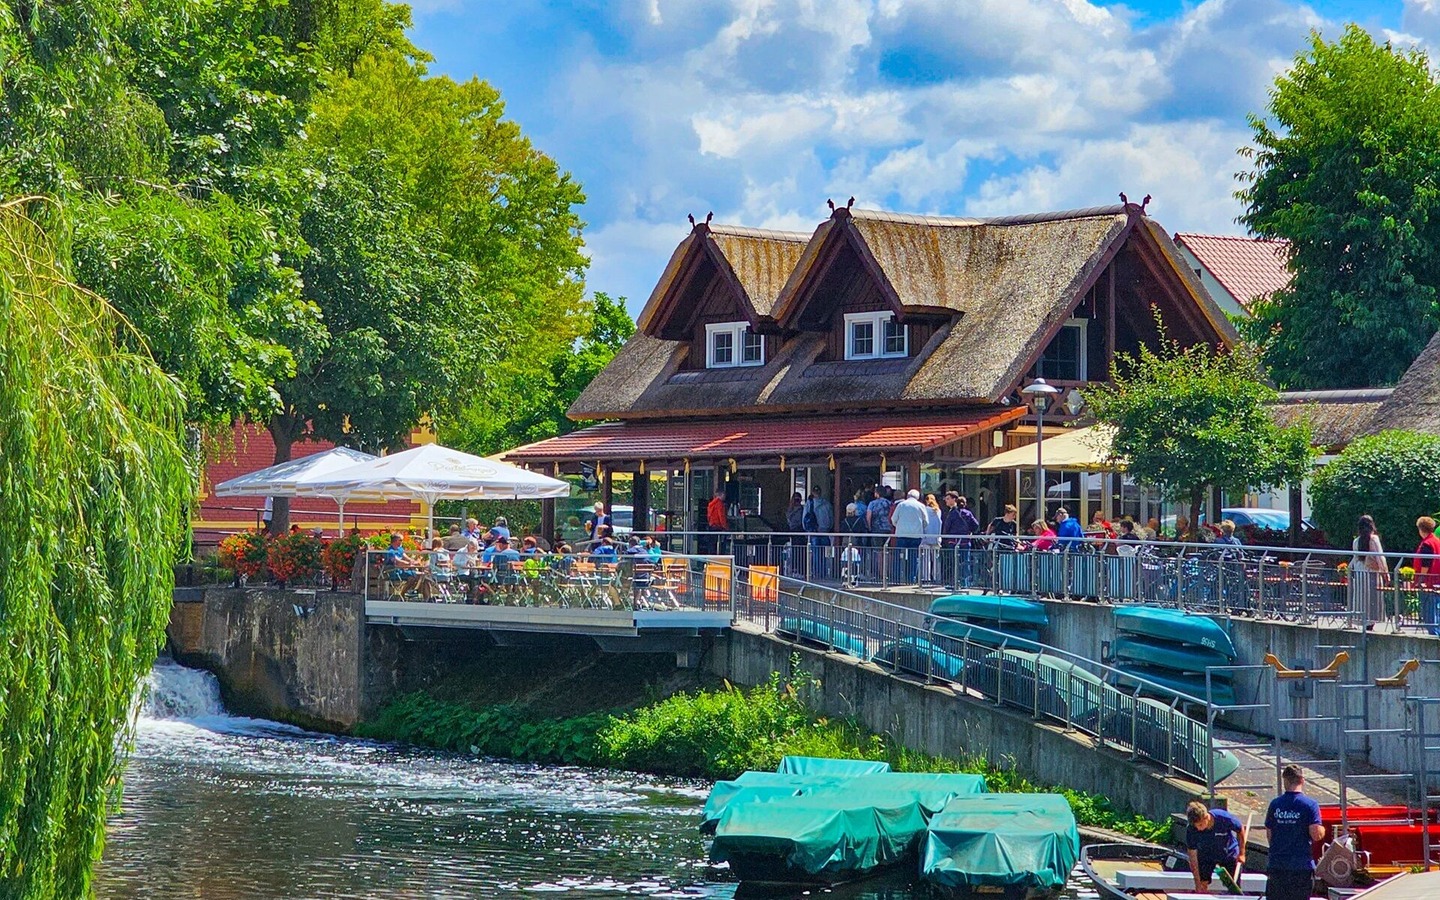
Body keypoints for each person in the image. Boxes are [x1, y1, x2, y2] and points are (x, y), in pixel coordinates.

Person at [1265, 765, 1324, 900]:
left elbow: (1270, 835)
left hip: (1278, 865)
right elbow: (1316, 834)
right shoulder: (1310, 805)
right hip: (1300, 866)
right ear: (1302, 780)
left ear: (1285, 781)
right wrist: (1322, 830)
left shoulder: (1275, 804)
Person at [1185, 800, 1247, 894]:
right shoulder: (1191, 829)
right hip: (1206, 855)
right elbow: (1192, 857)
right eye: (1196, 826)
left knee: (1233, 885)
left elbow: (1240, 829)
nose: (1198, 828)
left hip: (1228, 852)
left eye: (1200, 825)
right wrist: (1197, 883)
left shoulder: (1223, 818)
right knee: (1202, 883)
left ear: (1206, 817)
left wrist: (1242, 853)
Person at [1350, 514, 1388, 628]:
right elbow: (1380, 557)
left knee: (1361, 597)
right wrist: (1385, 573)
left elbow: (1355, 558)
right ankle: (1371, 623)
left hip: (1360, 573)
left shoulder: (1356, 541)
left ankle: (1361, 620)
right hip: (1372, 572)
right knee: (1373, 598)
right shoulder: (1374, 539)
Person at [891, 489, 929, 583]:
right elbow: (926, 522)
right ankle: (911, 579)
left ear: (908, 496)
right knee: (914, 557)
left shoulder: (901, 505)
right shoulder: (921, 506)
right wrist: (920, 528)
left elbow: (893, 519)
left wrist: (899, 526)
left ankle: (897, 578)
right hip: (916, 535)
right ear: (918, 497)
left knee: (899, 556)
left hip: (902, 534)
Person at [1415, 516, 1440, 636]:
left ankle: (1434, 636)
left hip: (1429, 582)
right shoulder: (1437, 541)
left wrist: (1420, 580)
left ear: (1421, 529)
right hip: (1437, 581)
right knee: (1437, 611)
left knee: (1430, 613)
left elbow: (1426, 564)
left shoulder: (1427, 544)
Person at [921, 493, 943, 581]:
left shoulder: (924, 510)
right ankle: (937, 577)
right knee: (936, 559)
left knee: (926, 559)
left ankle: (926, 577)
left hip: (926, 536)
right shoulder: (938, 511)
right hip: (936, 537)